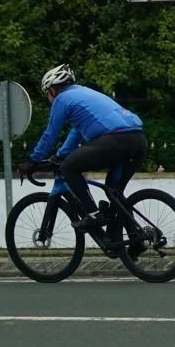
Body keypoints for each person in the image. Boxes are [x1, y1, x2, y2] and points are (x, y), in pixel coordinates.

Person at [19, 64, 147, 231]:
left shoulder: (61, 99)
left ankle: (94, 214)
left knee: (69, 168)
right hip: (138, 140)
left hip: (114, 140)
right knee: (114, 191)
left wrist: (33, 160)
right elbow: (76, 132)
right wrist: (60, 155)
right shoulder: (84, 93)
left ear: (51, 90)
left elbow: (50, 134)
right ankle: (137, 239)